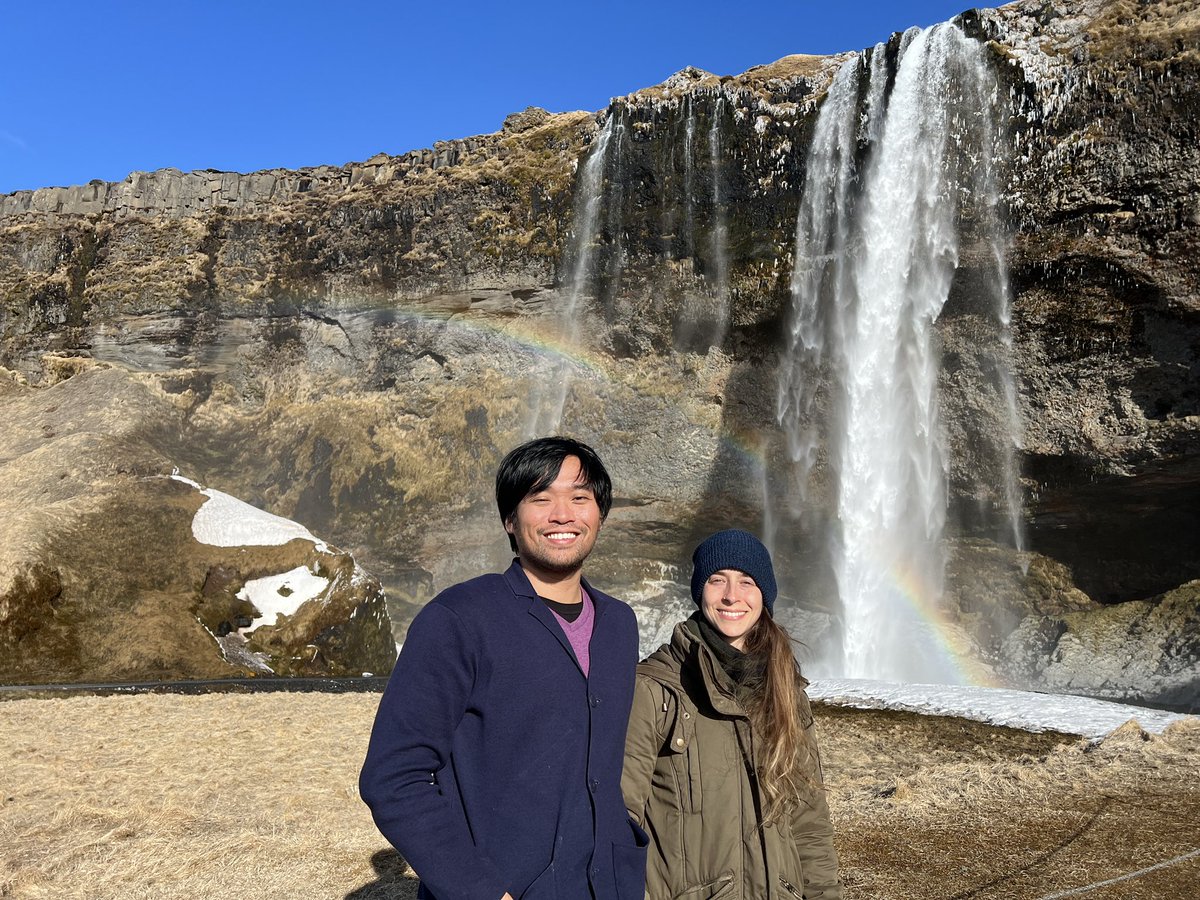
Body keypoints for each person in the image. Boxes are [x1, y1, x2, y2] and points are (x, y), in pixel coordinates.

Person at [360, 436, 648, 900]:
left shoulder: (620, 624)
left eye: (580, 498)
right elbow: (394, 777)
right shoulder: (459, 618)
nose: (562, 514)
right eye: (540, 498)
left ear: (600, 515)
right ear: (510, 520)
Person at [622, 529, 842, 900]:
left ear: (764, 596)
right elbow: (620, 822)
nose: (731, 596)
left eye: (747, 582)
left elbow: (809, 824)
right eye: (716, 579)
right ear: (699, 590)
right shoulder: (654, 690)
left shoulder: (787, 694)